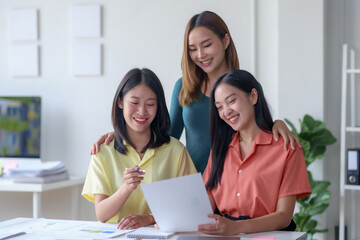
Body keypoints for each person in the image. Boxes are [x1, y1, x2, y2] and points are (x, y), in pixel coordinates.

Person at [90, 11, 300, 173]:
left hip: (236, 184)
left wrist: (278, 124)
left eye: (207, 45)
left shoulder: (246, 85)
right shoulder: (184, 87)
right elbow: (165, 135)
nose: (200, 55)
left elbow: (261, 133)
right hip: (195, 184)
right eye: (192, 48)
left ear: (225, 41)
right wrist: (123, 134)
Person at [198, 70, 311, 235]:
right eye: (219, 107)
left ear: (253, 96)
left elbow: (284, 216)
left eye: (232, 101)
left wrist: (237, 228)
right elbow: (203, 208)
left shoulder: (286, 148)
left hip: (270, 235)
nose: (226, 111)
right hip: (226, 236)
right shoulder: (219, 150)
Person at [82, 68, 197, 229]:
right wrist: (127, 187)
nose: (142, 111)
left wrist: (150, 218)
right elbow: (102, 214)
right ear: (120, 102)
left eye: (150, 104)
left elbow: (192, 205)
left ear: (158, 107)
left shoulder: (175, 150)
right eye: (134, 103)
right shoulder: (103, 151)